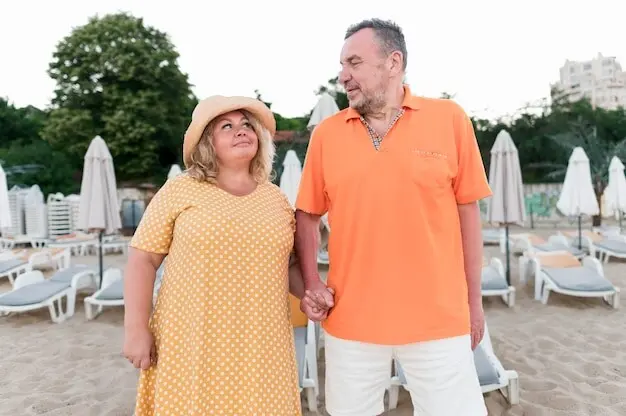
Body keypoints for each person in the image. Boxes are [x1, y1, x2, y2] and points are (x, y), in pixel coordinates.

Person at [295, 19, 492, 416]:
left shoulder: (450, 119)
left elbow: (468, 216)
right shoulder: (326, 135)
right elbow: (307, 214)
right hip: (350, 321)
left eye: (354, 62)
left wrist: (474, 303)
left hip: (439, 321)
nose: (343, 75)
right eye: (342, 65)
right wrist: (312, 281)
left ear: (393, 62)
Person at [122, 95, 310, 415]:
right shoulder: (181, 189)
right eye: (227, 126)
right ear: (207, 142)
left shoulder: (276, 200)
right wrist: (135, 329)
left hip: (263, 345)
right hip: (191, 339)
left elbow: (288, 265)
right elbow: (143, 259)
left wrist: (313, 295)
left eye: (247, 124)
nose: (241, 130)